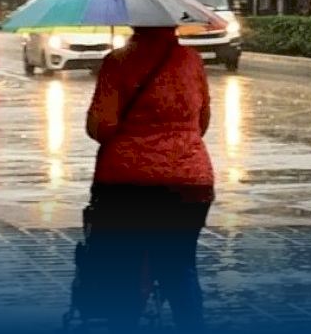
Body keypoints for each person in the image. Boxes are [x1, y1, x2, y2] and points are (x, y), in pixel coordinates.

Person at [85, 26, 214, 331]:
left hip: (128, 183)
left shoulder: (118, 61)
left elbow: (101, 126)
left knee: (125, 269)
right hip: (190, 181)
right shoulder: (191, 60)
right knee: (180, 265)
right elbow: (202, 120)